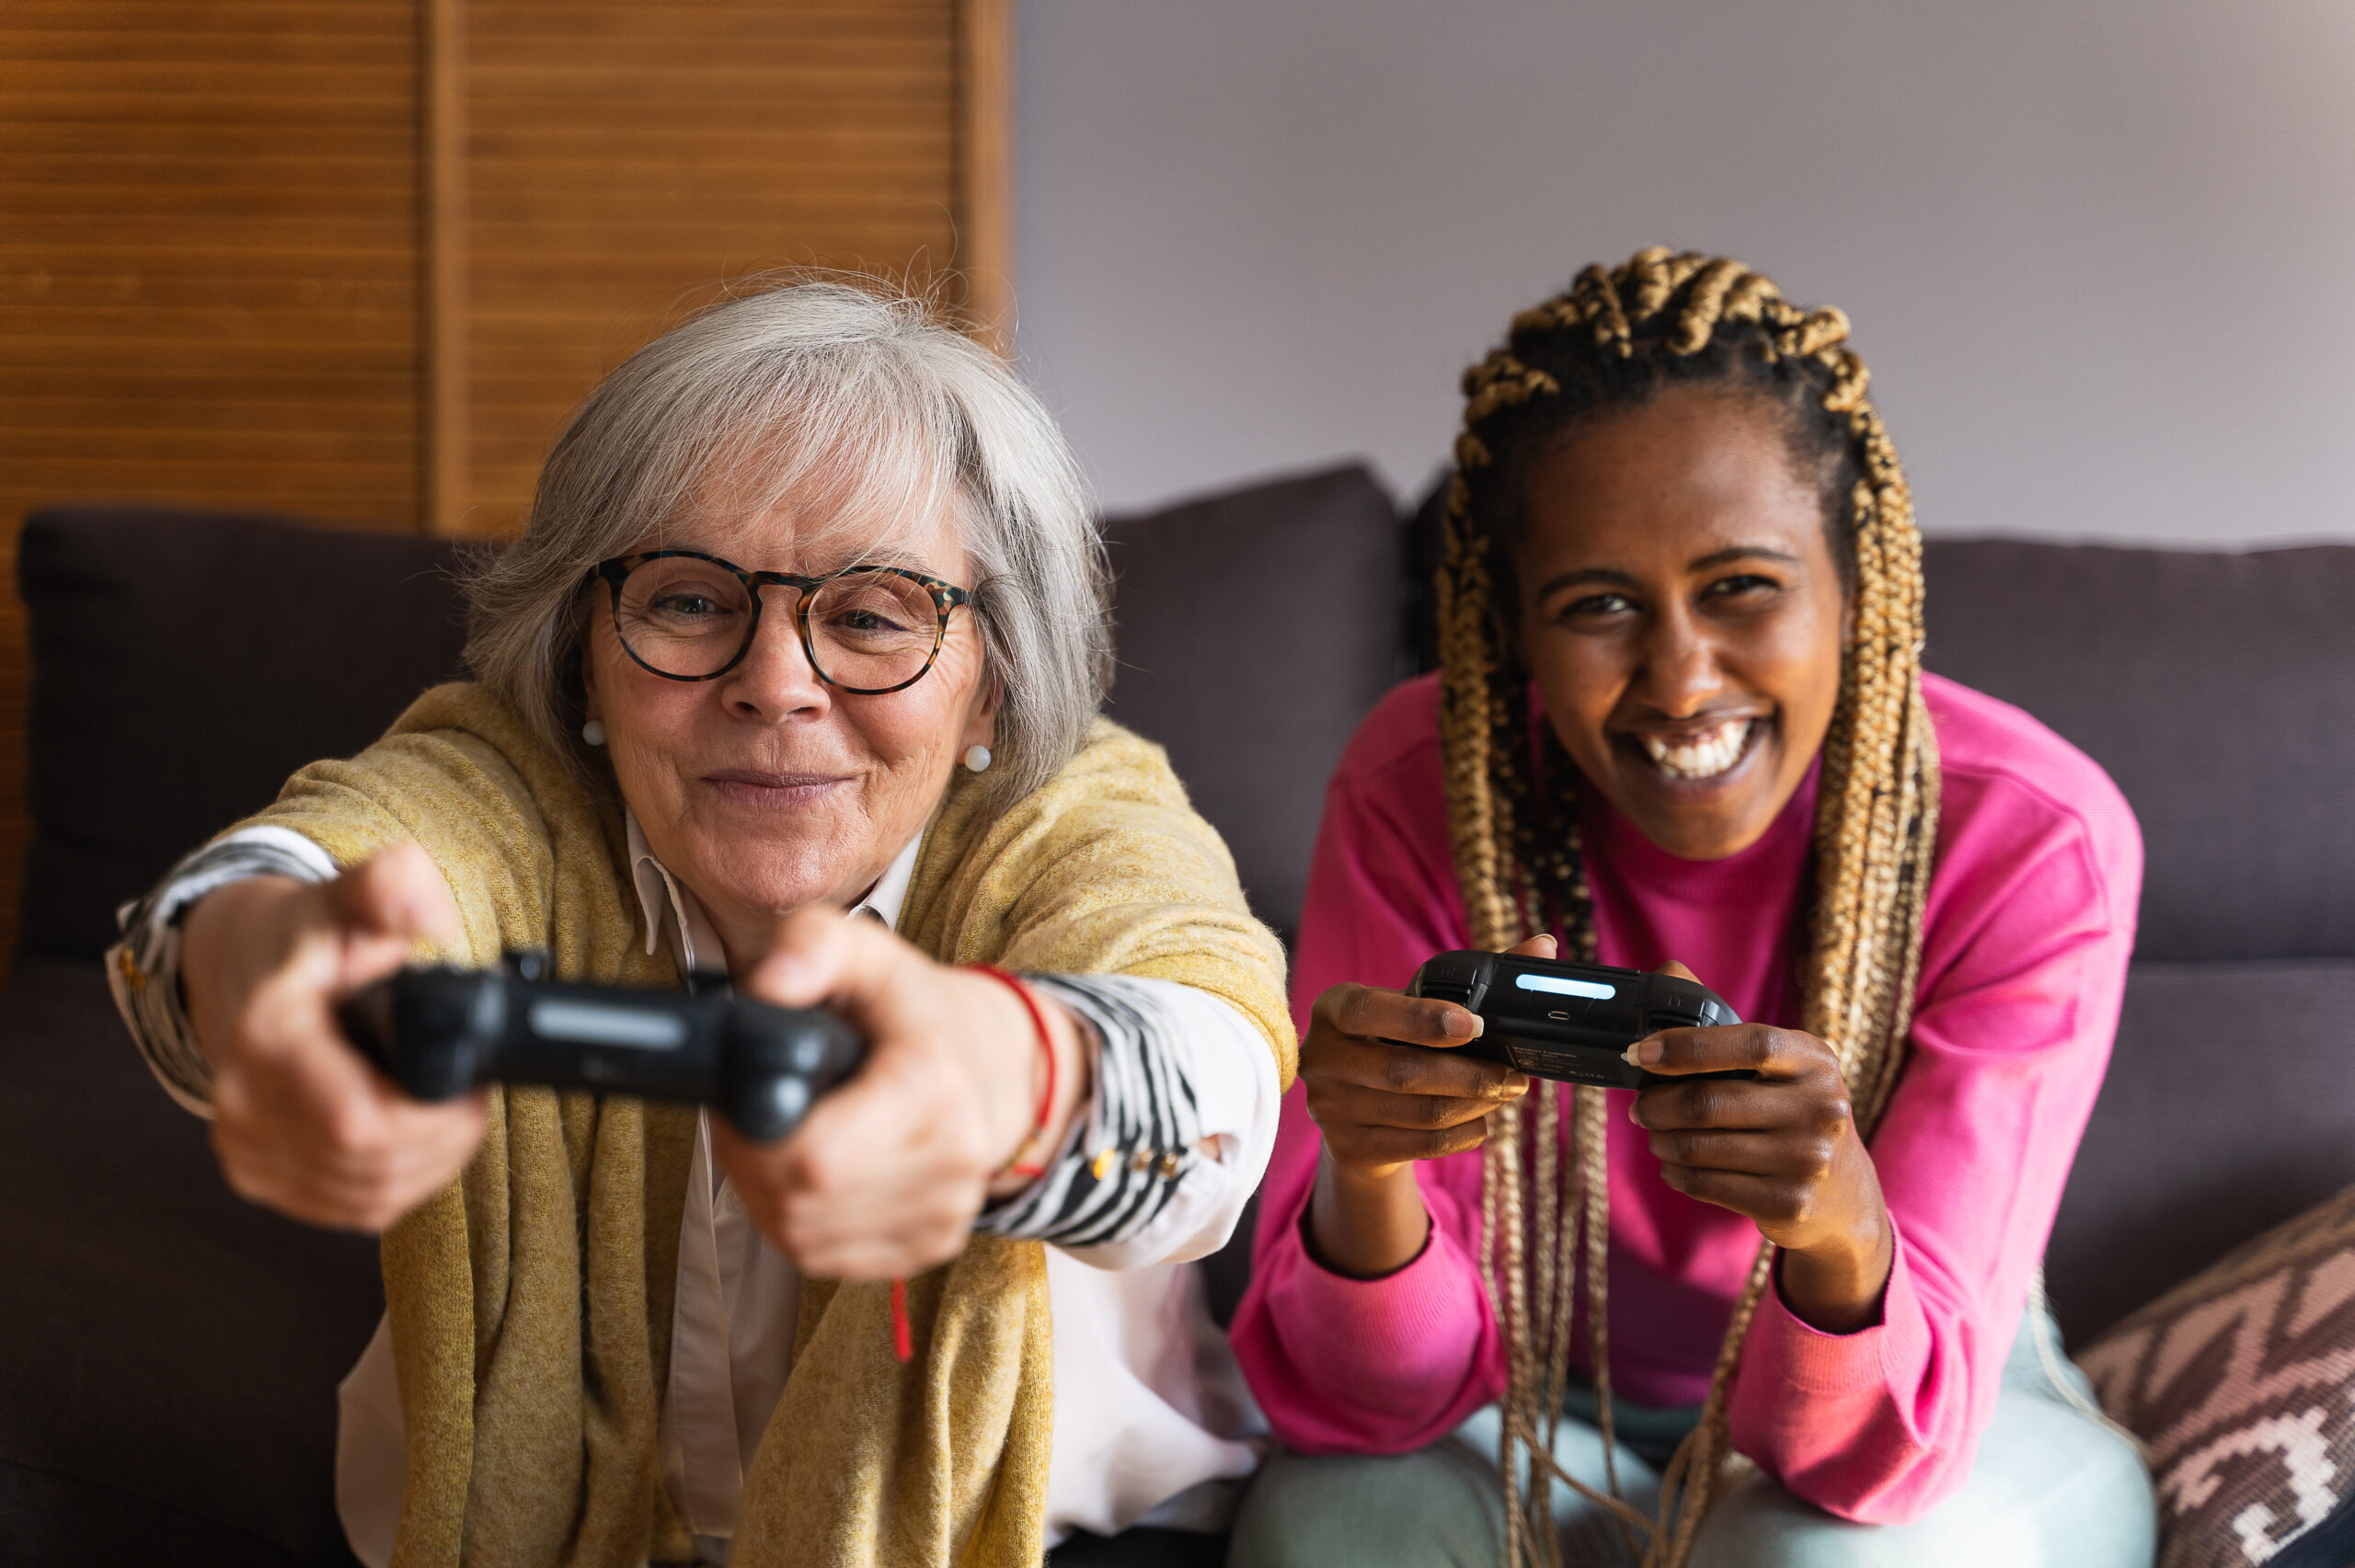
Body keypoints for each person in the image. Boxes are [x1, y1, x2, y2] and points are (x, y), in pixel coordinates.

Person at [106, 280, 1291, 1568]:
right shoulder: (506, 786)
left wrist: (1006, 1073)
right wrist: (254, 966)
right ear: (584, 656)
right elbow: (270, 885)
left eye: (875, 615)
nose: (776, 684)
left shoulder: (1081, 816)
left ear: (994, 681)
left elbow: (1212, 1056)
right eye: (687, 601)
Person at [1225, 249, 2156, 1567]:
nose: (1677, 680)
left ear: (1857, 589)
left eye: (1742, 589)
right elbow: (1357, 1410)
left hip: (1949, 1396)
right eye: (1598, 606)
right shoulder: (1421, 787)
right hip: (1532, 1399)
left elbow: (1879, 1458)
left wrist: (1837, 1224)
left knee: (1803, 1558)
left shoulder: (2026, 835)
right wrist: (1367, 1168)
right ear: (1514, 635)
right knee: (1331, 1529)